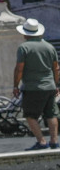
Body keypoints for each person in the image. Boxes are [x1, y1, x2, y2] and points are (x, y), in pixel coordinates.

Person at [13, 18, 59, 150]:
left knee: (30, 115)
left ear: (25, 33)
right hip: (49, 85)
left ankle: (42, 141)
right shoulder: (49, 47)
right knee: (51, 114)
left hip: (33, 87)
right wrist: (55, 84)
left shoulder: (24, 47)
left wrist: (15, 85)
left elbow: (19, 69)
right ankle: (54, 141)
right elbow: (56, 68)